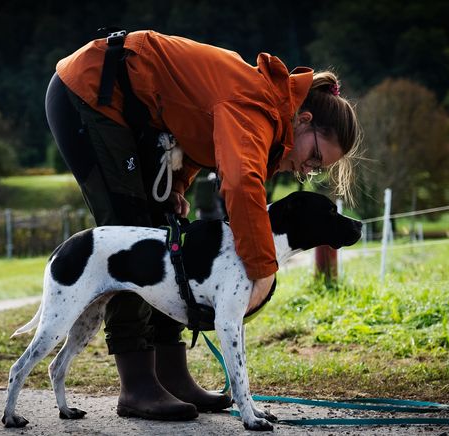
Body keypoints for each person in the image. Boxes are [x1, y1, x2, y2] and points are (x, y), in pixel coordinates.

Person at [45, 29, 360, 421]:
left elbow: (198, 133)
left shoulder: (269, 112)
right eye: (314, 156)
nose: (308, 170)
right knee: (130, 227)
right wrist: (263, 270)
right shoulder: (257, 107)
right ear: (305, 120)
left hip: (131, 110)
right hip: (90, 92)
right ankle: (137, 384)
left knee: (166, 225)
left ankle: (171, 373)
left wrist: (177, 185)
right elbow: (241, 184)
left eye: (318, 169)